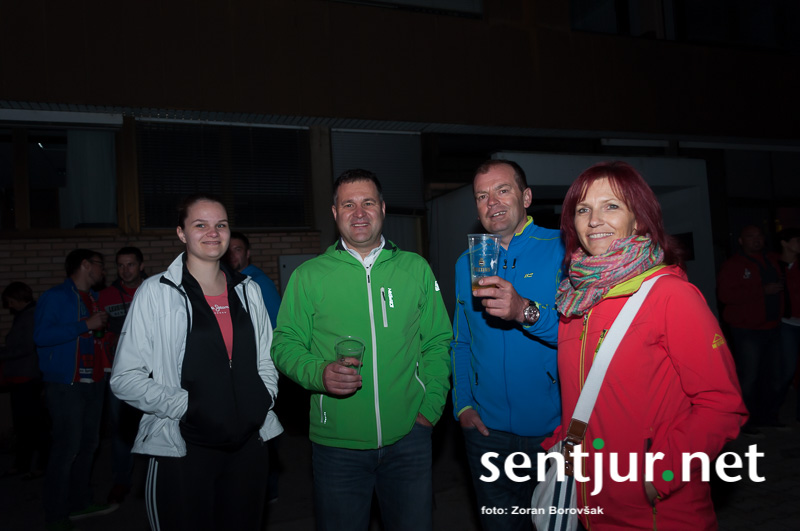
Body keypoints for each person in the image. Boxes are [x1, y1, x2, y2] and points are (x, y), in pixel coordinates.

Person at [551, 161, 746, 530]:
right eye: (583, 209)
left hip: (657, 513)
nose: (594, 220)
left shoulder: (671, 295)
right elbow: (587, 395)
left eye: (611, 206)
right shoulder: (574, 300)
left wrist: (661, 475)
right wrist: (560, 445)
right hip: (590, 504)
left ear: (638, 219)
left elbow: (722, 405)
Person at [271, 169, 452, 531]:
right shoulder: (309, 276)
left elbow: (437, 341)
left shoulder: (415, 268)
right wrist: (319, 373)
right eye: (348, 204)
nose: (359, 213)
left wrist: (429, 410)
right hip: (337, 448)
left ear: (382, 208)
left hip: (409, 439)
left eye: (368, 203)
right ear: (334, 213)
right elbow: (284, 343)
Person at [110, 194, 282, 530]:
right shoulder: (156, 292)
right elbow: (125, 378)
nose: (213, 233)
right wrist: (188, 407)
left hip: (248, 445)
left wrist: (263, 398)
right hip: (184, 447)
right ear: (181, 233)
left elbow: (266, 358)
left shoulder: (248, 290)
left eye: (221, 225)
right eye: (200, 225)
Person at [450, 159, 564, 530]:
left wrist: (523, 311)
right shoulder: (467, 262)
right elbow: (461, 341)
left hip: (551, 432)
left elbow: (580, 337)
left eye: (503, 190)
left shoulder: (562, 250)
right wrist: (463, 404)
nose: (492, 202)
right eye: (482, 196)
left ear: (526, 197)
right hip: (487, 433)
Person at [34, 249, 114, 529]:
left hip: (94, 381)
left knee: (89, 445)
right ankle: (56, 514)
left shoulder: (92, 298)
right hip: (66, 385)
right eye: (100, 265)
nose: (103, 271)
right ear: (85, 265)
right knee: (66, 449)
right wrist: (85, 324)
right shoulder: (55, 296)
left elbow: (93, 336)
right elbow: (42, 336)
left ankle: (80, 503)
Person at [718, 225, 784, 429]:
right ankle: (747, 422)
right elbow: (725, 296)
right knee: (749, 377)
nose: (756, 239)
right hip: (747, 330)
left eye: (759, 236)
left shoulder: (773, 259)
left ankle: (769, 418)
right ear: (741, 241)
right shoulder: (733, 265)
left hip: (774, 326)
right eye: (750, 236)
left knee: (773, 376)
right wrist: (761, 291)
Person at [97, 246, 146, 504]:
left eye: (130, 264)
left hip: (151, 373)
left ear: (141, 266)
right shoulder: (105, 295)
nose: (125, 270)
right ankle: (121, 480)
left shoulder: (153, 289)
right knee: (120, 429)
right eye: (120, 265)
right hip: (119, 373)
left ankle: (153, 479)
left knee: (154, 426)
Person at [1, 282, 49, 479]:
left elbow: (26, 347)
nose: (9, 306)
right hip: (23, 376)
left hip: (27, 377)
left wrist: (4, 354)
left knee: (31, 423)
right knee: (25, 423)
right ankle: (25, 462)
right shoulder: (26, 315)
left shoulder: (29, 317)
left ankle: (38, 462)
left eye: (11, 301)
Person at [226, 231, 281, 329]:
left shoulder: (259, 281)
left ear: (247, 254)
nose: (232, 254)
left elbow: (277, 320)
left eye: (237, 250)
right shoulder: (230, 280)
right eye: (228, 250)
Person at [774, 227, 800, 420]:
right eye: (797, 240)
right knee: (787, 368)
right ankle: (773, 408)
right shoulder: (773, 264)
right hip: (785, 323)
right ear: (785, 243)